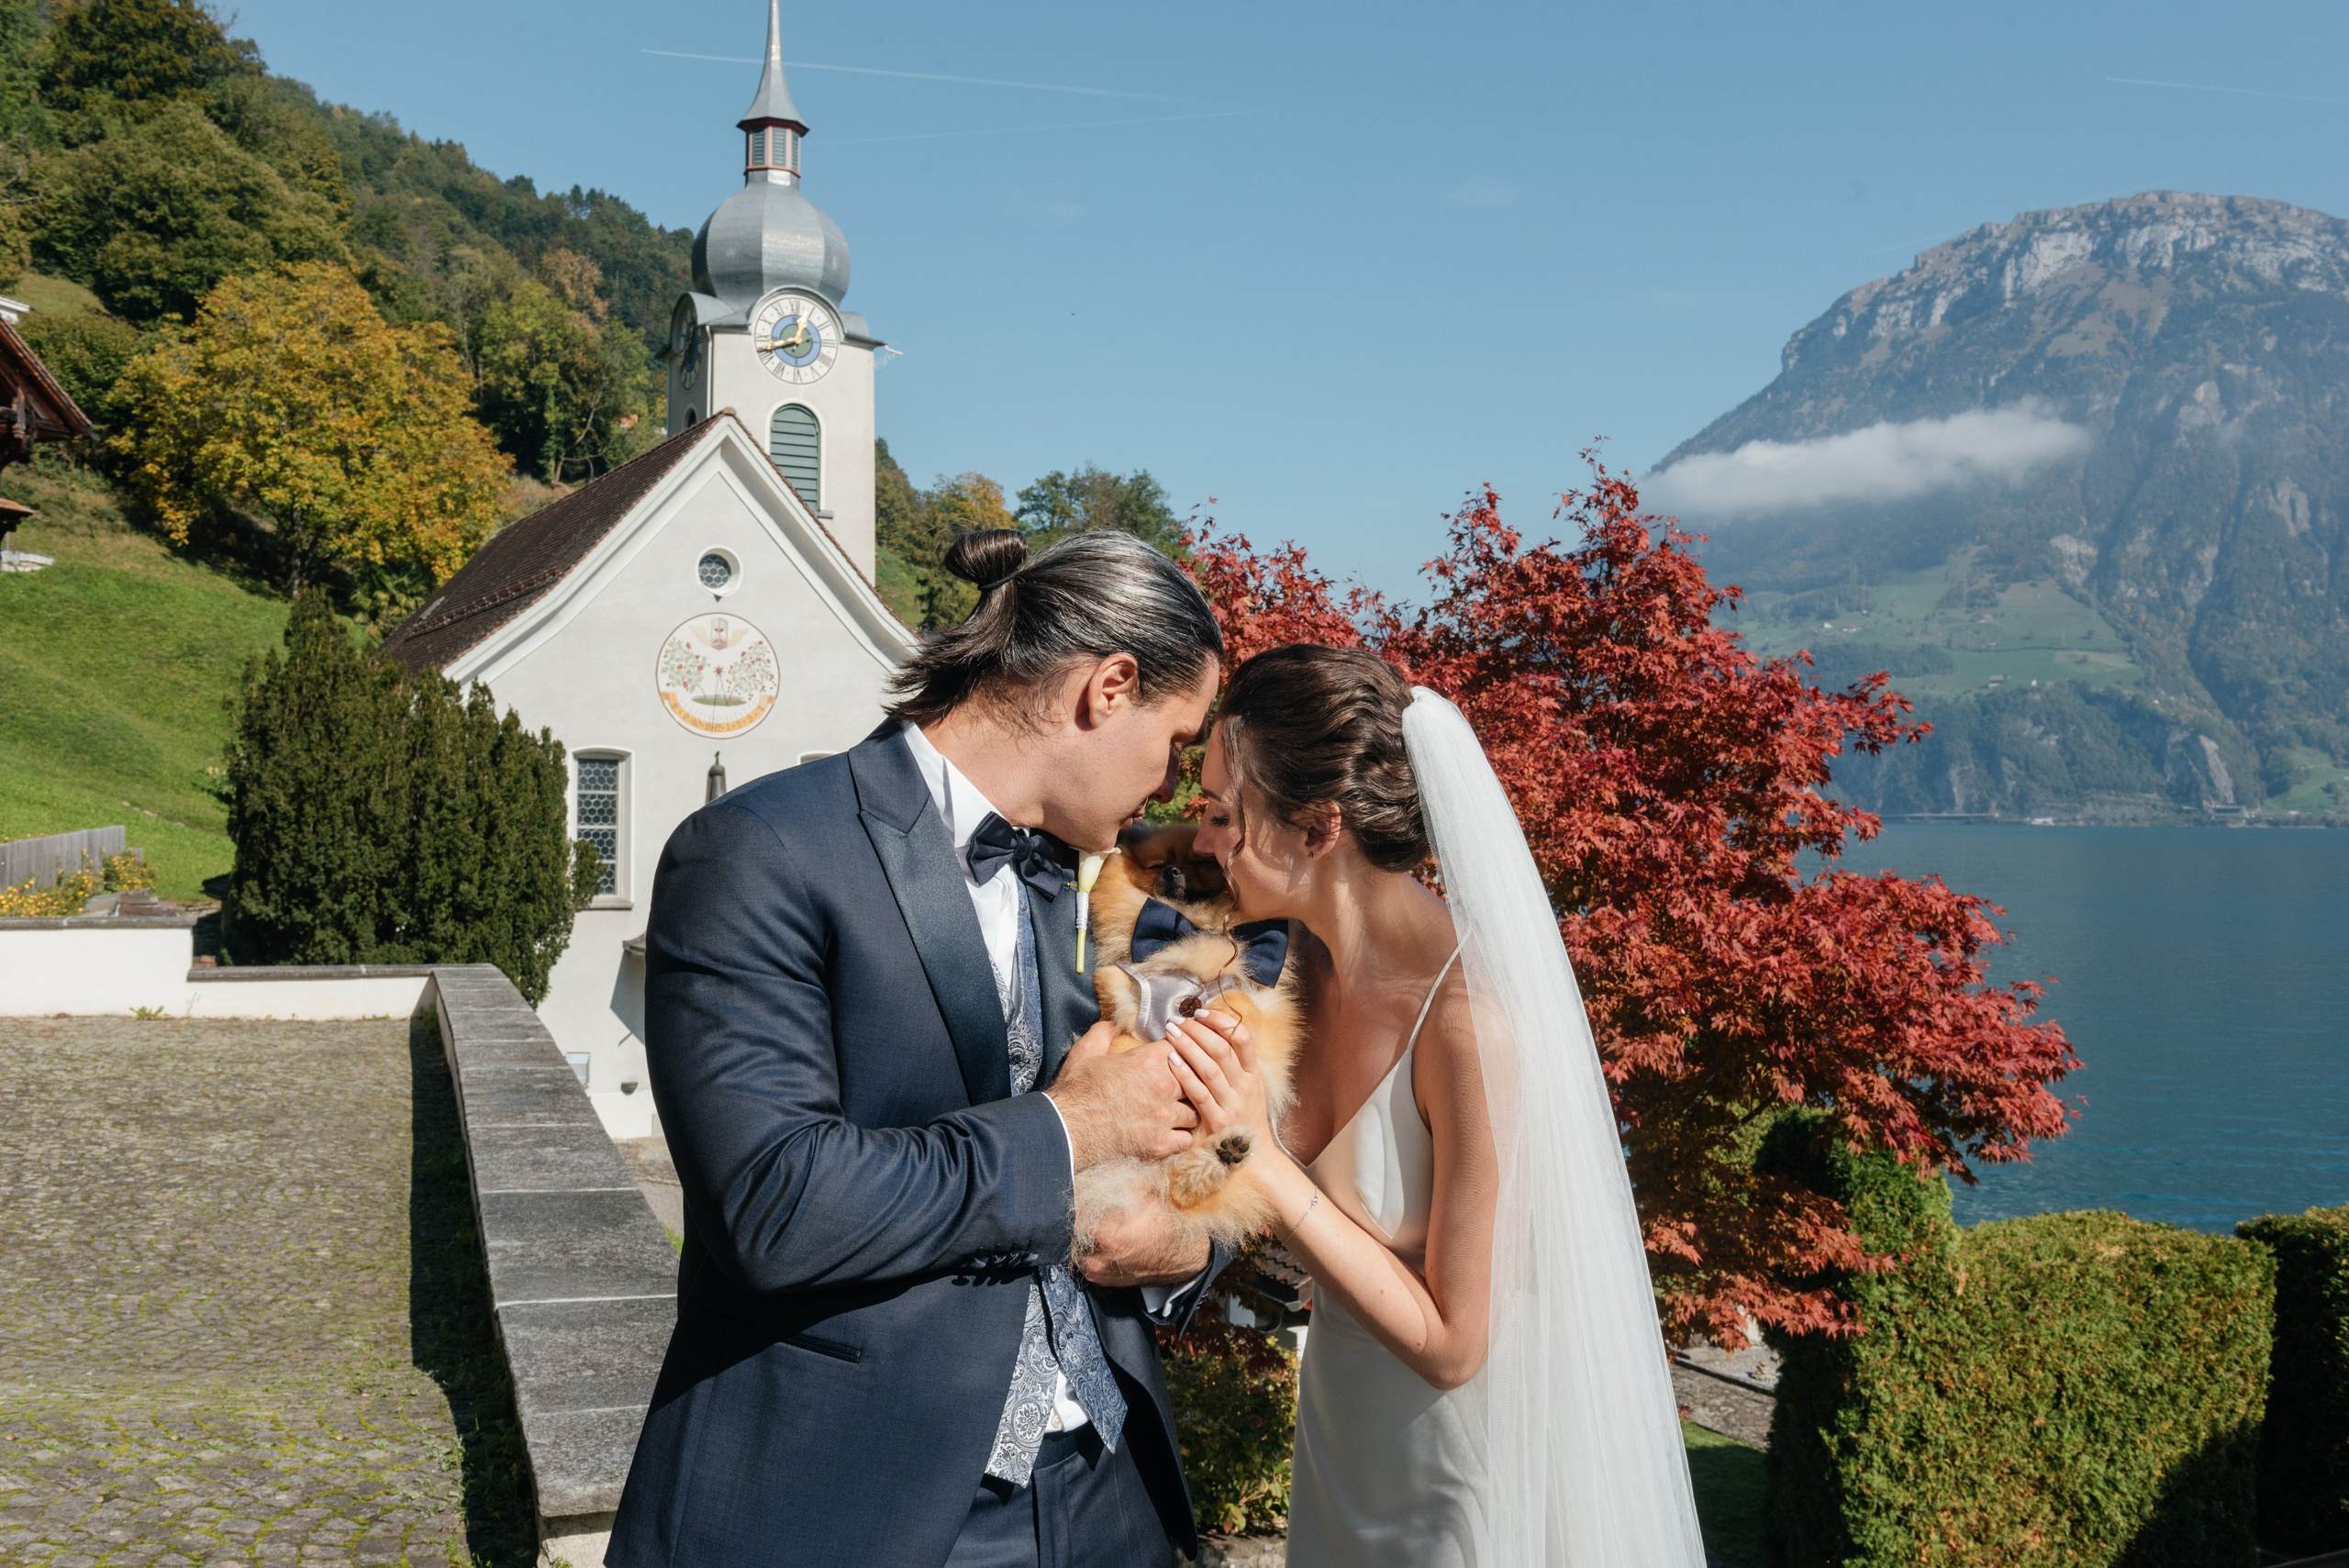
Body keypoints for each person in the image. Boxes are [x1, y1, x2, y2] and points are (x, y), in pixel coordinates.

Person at [608, 528, 1237, 1568]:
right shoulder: (760, 850)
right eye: (1176, 737)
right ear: (1109, 687)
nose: (1169, 783)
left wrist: (1185, 1253)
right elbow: (774, 1201)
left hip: (1108, 1491)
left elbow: (1200, 1155)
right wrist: (1073, 1126)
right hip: (865, 1501)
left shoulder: (1098, 883)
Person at [1166, 645, 1708, 1568]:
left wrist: (1258, 1164)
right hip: (1342, 1445)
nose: (1203, 841)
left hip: (1458, 1476)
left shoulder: (1469, 1026)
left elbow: (1456, 1342)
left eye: (1223, 811)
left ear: (1316, 827)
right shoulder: (1288, 969)